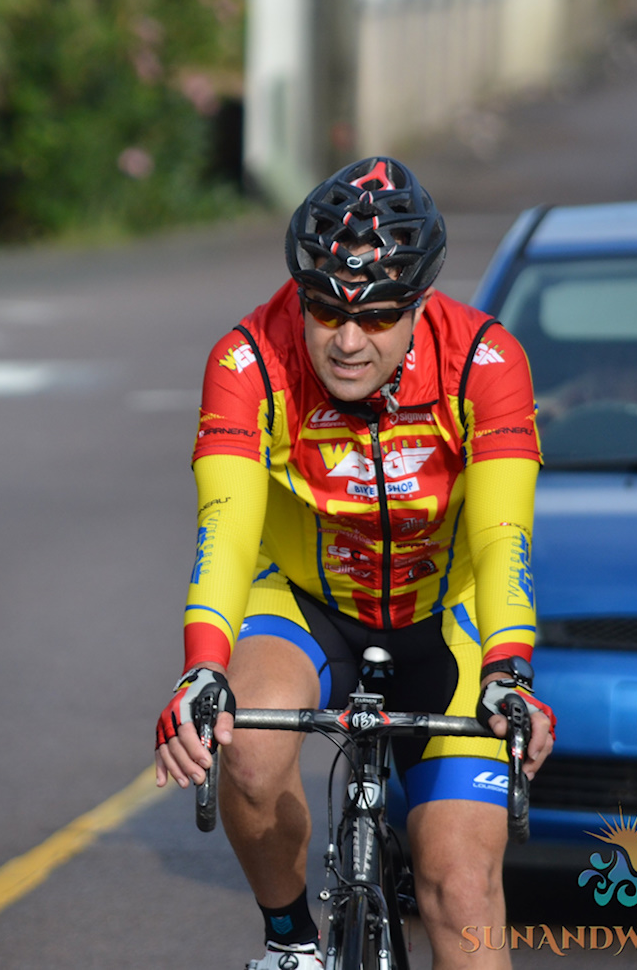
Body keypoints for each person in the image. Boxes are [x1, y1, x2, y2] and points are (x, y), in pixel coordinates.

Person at [153, 158, 556, 970]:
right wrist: (200, 672)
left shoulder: (486, 361)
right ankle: (290, 942)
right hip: (308, 603)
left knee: (459, 889)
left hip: (448, 619)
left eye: (375, 317)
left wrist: (511, 671)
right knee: (252, 751)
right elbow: (225, 531)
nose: (344, 339)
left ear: (418, 305)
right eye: (327, 309)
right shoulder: (248, 361)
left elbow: (503, 537)